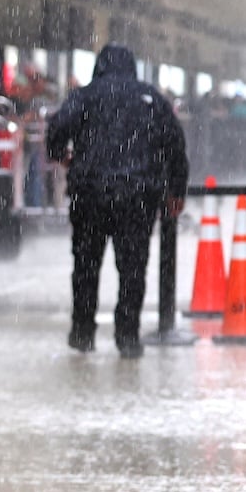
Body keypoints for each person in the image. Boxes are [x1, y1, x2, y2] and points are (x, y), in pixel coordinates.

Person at [46, 43, 188, 358]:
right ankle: (128, 337)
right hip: (137, 196)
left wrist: (62, 155)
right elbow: (176, 144)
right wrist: (176, 190)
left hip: (90, 193)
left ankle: (82, 333)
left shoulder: (85, 95)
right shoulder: (151, 99)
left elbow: (56, 128)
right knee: (133, 267)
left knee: (85, 264)